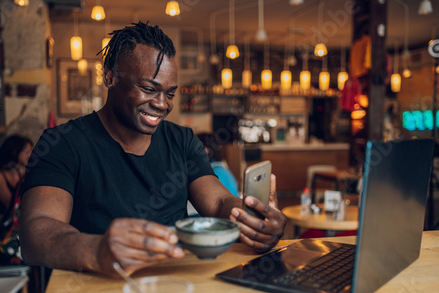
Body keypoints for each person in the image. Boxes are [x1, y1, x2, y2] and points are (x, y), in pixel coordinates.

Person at [19, 22, 287, 279]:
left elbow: (218, 202)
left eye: (170, 93)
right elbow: (37, 232)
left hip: (176, 285)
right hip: (95, 291)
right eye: (149, 89)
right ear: (110, 76)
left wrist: (254, 219)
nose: (162, 104)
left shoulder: (181, 140)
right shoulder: (62, 143)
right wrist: (97, 250)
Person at [0, 135, 33, 218]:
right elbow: (11, 205)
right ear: (14, 151)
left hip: (16, 218)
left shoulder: (18, 171)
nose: (30, 155)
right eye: (27, 152)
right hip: (0, 222)